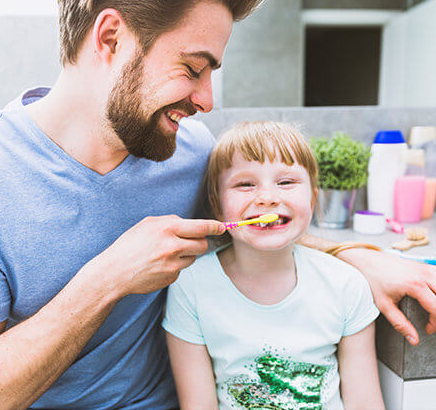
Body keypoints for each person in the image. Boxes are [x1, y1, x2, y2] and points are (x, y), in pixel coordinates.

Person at [0, 0, 434, 409]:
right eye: (192, 68)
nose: (207, 101)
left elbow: (251, 224)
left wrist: (357, 259)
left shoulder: (188, 150)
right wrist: (108, 278)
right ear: (111, 37)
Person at [163, 121, 385, 409]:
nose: (267, 198)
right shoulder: (190, 286)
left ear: (312, 198)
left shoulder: (346, 284)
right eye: (245, 184)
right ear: (217, 207)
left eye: (286, 182)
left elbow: (365, 403)